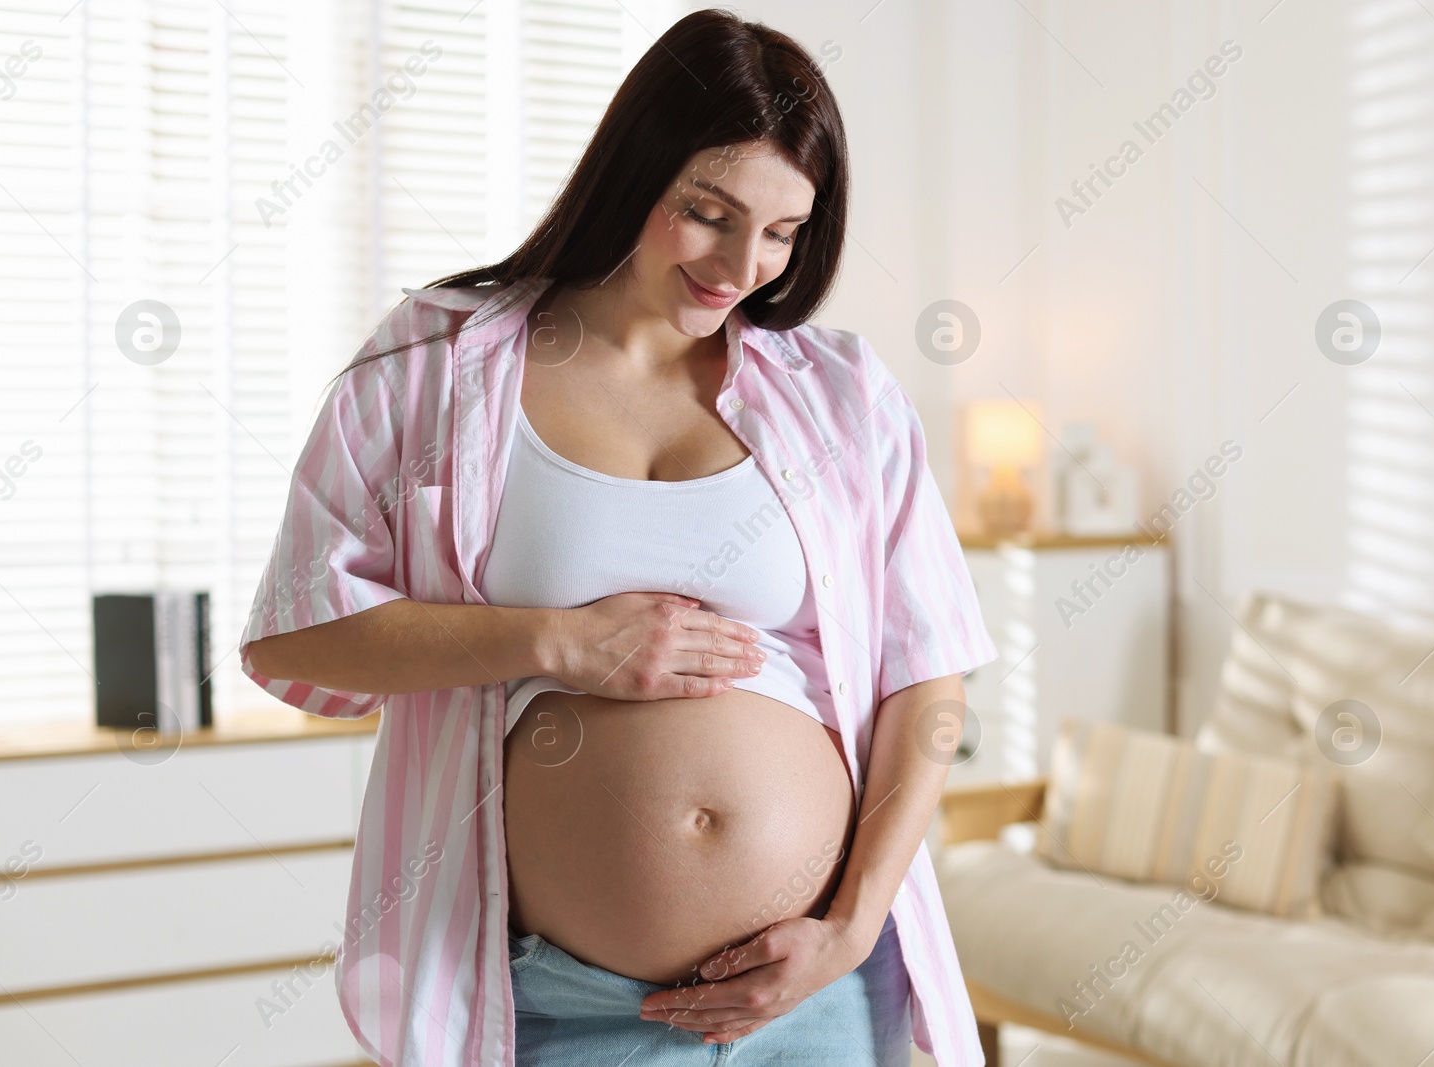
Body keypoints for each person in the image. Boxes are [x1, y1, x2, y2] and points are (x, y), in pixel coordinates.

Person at [240, 8, 998, 1065]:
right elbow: (294, 635)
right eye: (707, 211)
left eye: (783, 232)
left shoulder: (841, 394)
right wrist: (557, 641)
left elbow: (929, 682)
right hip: (565, 1001)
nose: (742, 265)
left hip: (812, 991)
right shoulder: (437, 365)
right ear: (632, 170)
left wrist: (850, 927)